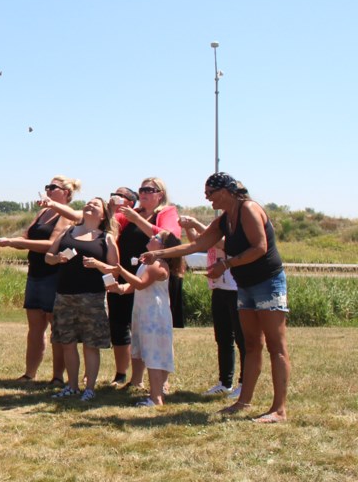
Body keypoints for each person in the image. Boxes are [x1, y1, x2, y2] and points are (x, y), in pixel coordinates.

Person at [143, 173, 289, 423]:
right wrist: (161, 254)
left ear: (227, 191)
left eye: (210, 192)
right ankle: (243, 402)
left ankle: (279, 409)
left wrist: (227, 264)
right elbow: (196, 246)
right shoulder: (225, 220)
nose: (206, 196)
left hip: (268, 282)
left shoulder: (249, 209)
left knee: (276, 346)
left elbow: (260, 248)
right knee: (252, 344)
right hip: (246, 285)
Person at [0, 176, 79, 385]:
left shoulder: (66, 216)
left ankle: (58, 377)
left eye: (54, 187)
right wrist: (13, 242)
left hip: (54, 275)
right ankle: (29, 373)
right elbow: (27, 237)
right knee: (34, 329)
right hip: (35, 274)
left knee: (56, 328)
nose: (48, 190)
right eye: (47, 187)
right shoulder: (42, 213)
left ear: (66, 193)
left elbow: (52, 244)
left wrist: (18, 242)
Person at [87, 231, 184, 407]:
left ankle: (156, 398)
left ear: (162, 247)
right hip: (144, 313)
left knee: (153, 355)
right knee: (149, 353)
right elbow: (134, 285)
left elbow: (141, 283)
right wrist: (119, 288)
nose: (151, 238)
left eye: (156, 238)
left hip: (154, 316)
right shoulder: (148, 263)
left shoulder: (158, 265)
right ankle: (157, 393)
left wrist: (120, 269)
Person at [44, 198, 118, 402]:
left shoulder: (106, 238)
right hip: (65, 295)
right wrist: (57, 258)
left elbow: (115, 269)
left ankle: (90, 388)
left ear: (103, 215)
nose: (90, 205)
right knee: (67, 342)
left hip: (92, 297)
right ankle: (72, 386)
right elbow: (48, 257)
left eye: (96, 204)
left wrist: (97, 265)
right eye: (88, 203)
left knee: (90, 344)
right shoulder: (67, 231)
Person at [109, 178, 181, 389]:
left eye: (150, 189)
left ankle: (162, 383)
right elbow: (110, 226)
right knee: (135, 331)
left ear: (160, 194)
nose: (144, 192)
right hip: (133, 276)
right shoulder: (134, 213)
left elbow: (169, 238)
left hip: (156, 277)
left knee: (157, 334)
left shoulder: (167, 212)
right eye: (141, 189)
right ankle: (135, 379)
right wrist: (113, 210)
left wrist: (135, 219)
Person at [180, 215, 245, 399]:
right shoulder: (217, 225)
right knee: (223, 337)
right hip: (219, 287)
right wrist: (188, 228)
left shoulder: (239, 226)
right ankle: (225, 383)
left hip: (235, 287)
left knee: (242, 338)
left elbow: (222, 243)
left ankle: (244, 383)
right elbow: (199, 242)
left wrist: (196, 224)